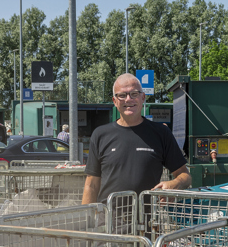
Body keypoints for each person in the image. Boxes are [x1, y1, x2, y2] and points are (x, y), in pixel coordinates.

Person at [82, 73, 191, 205]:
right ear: (114, 101)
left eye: (134, 94)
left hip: (146, 221)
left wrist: (175, 184)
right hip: (108, 220)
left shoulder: (161, 133)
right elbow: (91, 185)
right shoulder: (100, 134)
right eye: (122, 95)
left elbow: (185, 176)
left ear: (143, 97)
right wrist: (87, 220)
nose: (128, 99)